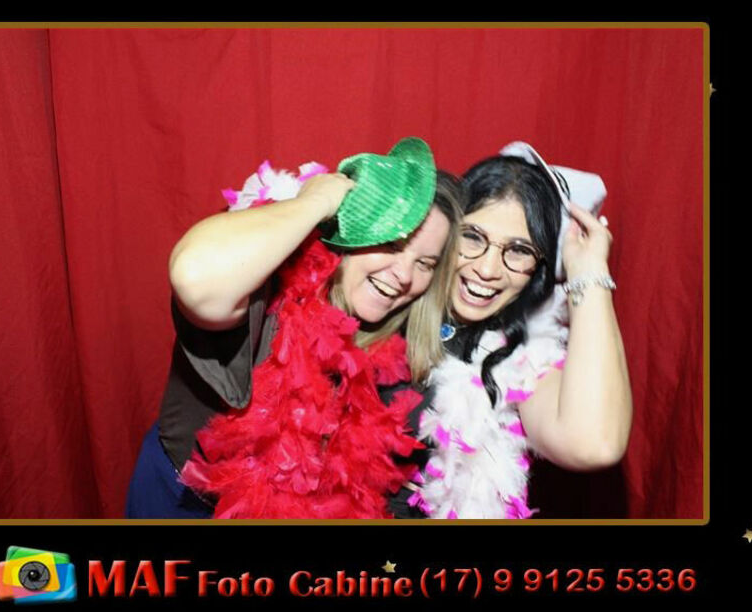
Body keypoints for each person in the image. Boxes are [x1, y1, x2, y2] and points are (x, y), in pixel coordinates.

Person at [126, 140, 460, 518]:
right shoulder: (268, 288)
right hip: (182, 505)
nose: (404, 275)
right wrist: (315, 203)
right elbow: (194, 275)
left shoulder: (402, 352)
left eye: (425, 263)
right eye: (394, 244)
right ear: (357, 229)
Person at [409, 146, 630, 518]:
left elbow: (594, 444)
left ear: (539, 269)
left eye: (518, 250)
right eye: (473, 236)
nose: (487, 269)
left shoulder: (519, 361)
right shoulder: (392, 291)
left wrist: (588, 270)